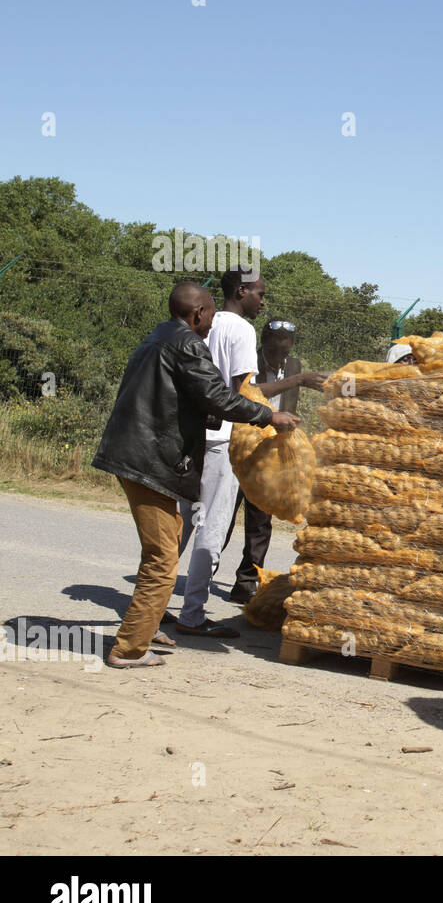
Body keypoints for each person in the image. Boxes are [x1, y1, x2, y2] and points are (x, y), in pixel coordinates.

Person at [93, 283, 299, 668]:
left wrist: (206, 415)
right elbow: (217, 395)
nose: (211, 324)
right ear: (199, 313)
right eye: (208, 316)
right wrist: (268, 415)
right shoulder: (187, 343)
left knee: (168, 536)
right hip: (146, 459)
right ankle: (129, 649)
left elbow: (177, 397)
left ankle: (146, 624)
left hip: (135, 452)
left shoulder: (156, 337)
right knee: (162, 556)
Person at [173, 269, 271, 637]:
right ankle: (193, 614)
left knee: (180, 525)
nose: (262, 301)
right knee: (212, 528)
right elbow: (242, 391)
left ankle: (151, 601)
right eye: (259, 294)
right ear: (241, 291)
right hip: (223, 440)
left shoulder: (202, 321)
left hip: (193, 435)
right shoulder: (242, 330)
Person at [227, 318, 326, 603]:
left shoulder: (293, 365)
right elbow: (250, 393)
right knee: (225, 514)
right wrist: (298, 380)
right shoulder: (251, 362)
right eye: (275, 347)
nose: (281, 353)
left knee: (261, 519)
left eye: (286, 347)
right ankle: (203, 576)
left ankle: (246, 581)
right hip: (243, 445)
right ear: (264, 342)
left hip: (271, 450)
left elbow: (289, 399)